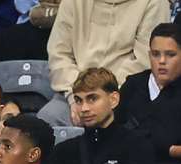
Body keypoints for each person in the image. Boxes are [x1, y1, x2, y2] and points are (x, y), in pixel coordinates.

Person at [38, 0, 169, 126]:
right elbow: (59, 53)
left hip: (123, 93)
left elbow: (145, 60)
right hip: (73, 90)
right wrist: (77, 97)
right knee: (47, 119)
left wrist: (106, 96)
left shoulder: (155, 2)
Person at [118, 22, 181, 164]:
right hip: (132, 163)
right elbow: (120, 132)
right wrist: (170, 148)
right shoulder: (133, 85)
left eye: (170, 55)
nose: (161, 61)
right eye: (155, 54)